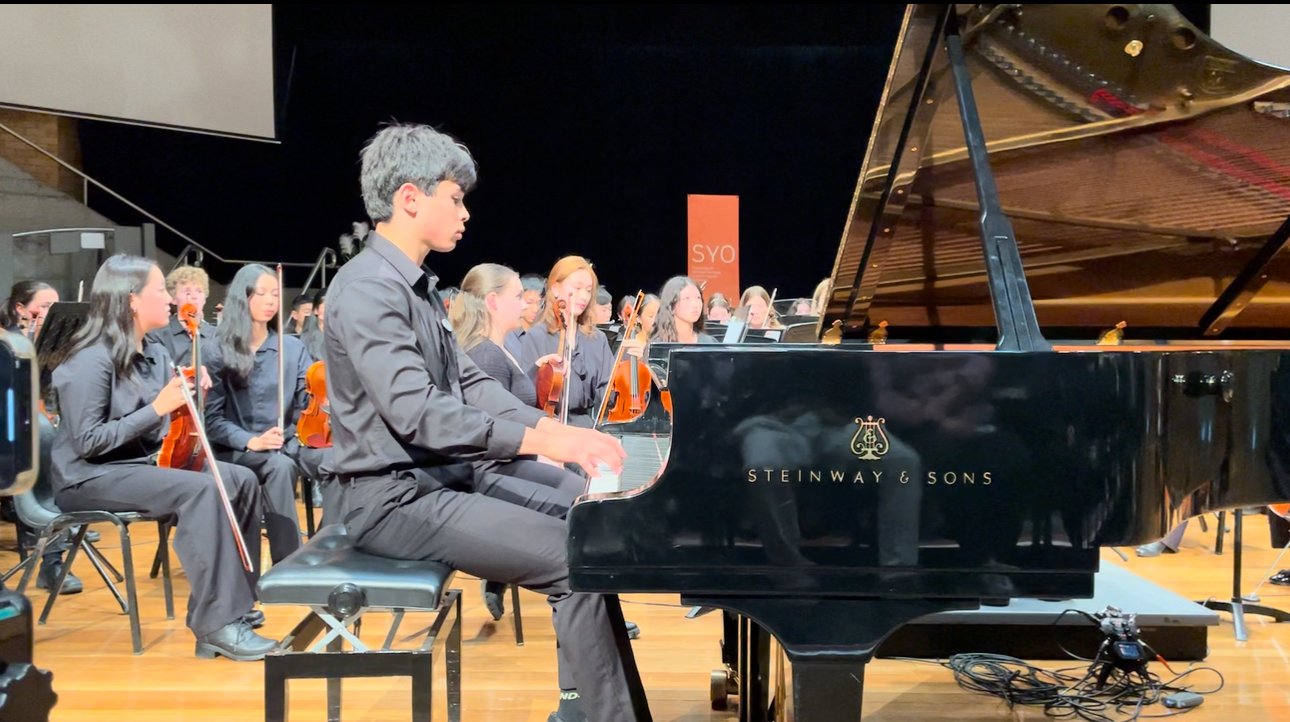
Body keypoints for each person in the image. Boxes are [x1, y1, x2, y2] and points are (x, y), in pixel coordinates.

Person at [325, 123, 650, 722]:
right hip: (390, 497)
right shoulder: (367, 289)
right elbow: (417, 412)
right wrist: (536, 439)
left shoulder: (417, 288)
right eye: (456, 198)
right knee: (573, 560)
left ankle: (588, 705)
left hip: (441, 477)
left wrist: (561, 436)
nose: (465, 213)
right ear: (410, 199)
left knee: (592, 520)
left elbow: (469, 384)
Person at [47, 254, 272, 660]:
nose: (169, 300)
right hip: (88, 476)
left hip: (140, 463)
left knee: (240, 479)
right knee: (200, 491)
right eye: (159, 291)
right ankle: (216, 624)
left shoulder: (152, 350)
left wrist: (188, 397)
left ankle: (236, 603)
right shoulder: (89, 359)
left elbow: (161, 425)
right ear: (131, 299)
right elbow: (88, 442)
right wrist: (159, 407)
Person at [450, 262, 586, 620]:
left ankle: (588, 595)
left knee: (583, 493)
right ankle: (584, 593)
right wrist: (545, 449)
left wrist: (534, 373)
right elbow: (492, 424)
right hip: (495, 466)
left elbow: (508, 399)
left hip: (511, 458)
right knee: (581, 500)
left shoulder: (499, 347)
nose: (527, 304)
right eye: (517, 297)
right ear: (493, 302)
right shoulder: (486, 353)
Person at [205, 264, 327, 563]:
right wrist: (251, 441)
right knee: (280, 467)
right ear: (242, 298)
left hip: (287, 442)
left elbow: (304, 403)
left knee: (342, 463)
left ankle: (327, 548)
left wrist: (307, 428)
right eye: (261, 293)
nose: (271, 300)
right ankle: (288, 563)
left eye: (275, 293)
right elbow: (211, 420)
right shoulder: (217, 349)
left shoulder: (292, 347)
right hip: (236, 450)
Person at [1, 280, 80, 592]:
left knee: (62, 434)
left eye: (54, 306)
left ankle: (53, 553)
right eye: (44, 306)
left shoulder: (50, 343)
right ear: (20, 309)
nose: (51, 313)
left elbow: (42, 396)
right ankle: (49, 547)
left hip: (30, 427)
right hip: (12, 434)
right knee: (45, 434)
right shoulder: (8, 344)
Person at [509, 256, 614, 430]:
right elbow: (527, 394)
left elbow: (606, 394)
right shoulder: (536, 336)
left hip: (589, 427)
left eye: (588, 290)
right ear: (556, 289)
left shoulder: (597, 339)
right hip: (548, 428)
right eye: (577, 288)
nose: (584, 296)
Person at [144, 265, 215, 367]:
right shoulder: (157, 334)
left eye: (199, 291)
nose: (194, 297)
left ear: (204, 298)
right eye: (187, 292)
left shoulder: (217, 335)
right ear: (173, 299)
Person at [651, 276, 715, 344]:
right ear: (671, 305)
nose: (695, 304)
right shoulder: (658, 345)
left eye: (698, 298)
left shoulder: (709, 343)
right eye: (687, 298)